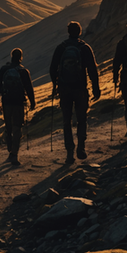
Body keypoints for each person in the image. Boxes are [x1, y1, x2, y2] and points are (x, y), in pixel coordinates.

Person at [49, 21, 101, 165]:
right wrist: (96, 87)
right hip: (80, 89)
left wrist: (56, 85)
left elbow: (53, 68)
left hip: (65, 90)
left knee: (66, 121)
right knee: (81, 119)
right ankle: (81, 147)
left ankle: (69, 152)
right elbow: (92, 69)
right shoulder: (84, 48)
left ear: (68, 31)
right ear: (79, 31)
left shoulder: (61, 48)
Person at [0, 48, 36, 166]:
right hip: (19, 103)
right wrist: (32, 102)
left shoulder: (4, 69)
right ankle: (14, 153)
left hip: (6, 102)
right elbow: (29, 88)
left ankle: (10, 149)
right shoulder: (23, 71)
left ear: (11, 56)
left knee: (8, 127)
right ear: (20, 57)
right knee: (17, 127)